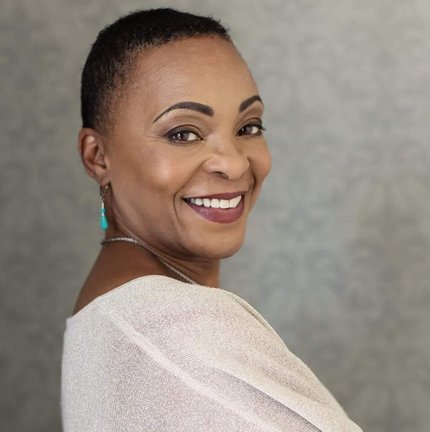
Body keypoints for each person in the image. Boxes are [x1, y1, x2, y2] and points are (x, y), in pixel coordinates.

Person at [61, 8, 362, 431]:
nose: (235, 165)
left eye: (249, 127)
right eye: (183, 133)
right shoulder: (182, 325)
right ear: (98, 156)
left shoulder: (106, 314)